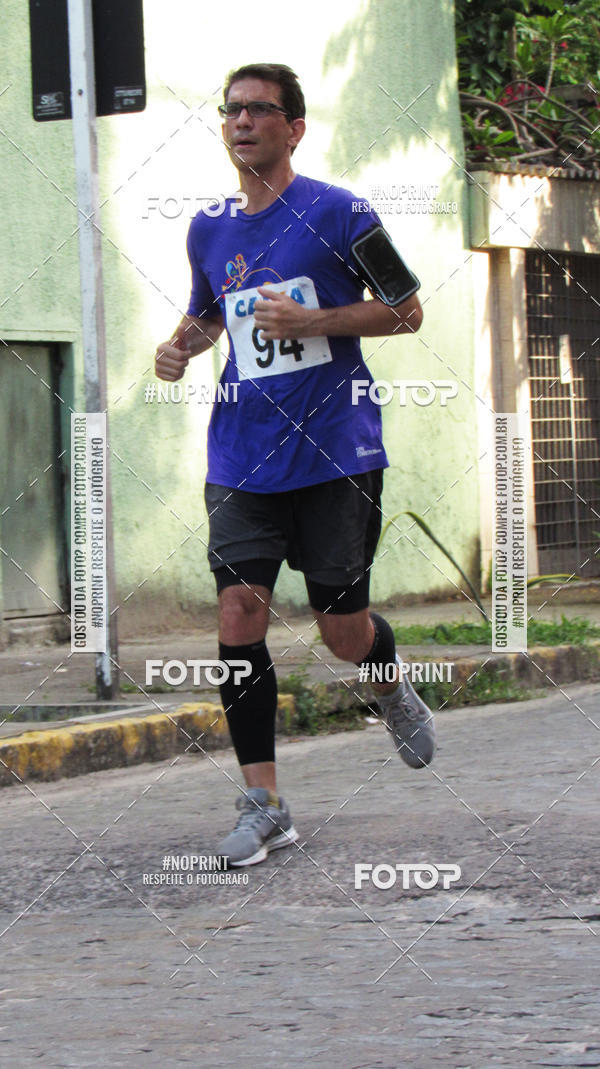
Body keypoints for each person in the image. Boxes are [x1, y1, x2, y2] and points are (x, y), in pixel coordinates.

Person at [154, 63, 435, 867]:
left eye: (259, 110)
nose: (241, 122)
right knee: (238, 612)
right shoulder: (208, 227)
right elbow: (210, 312)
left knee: (341, 632)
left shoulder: (342, 213)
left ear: (294, 127)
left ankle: (384, 680)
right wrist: (180, 347)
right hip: (241, 455)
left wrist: (317, 317)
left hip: (335, 449)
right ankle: (265, 802)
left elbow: (406, 310)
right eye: (231, 110)